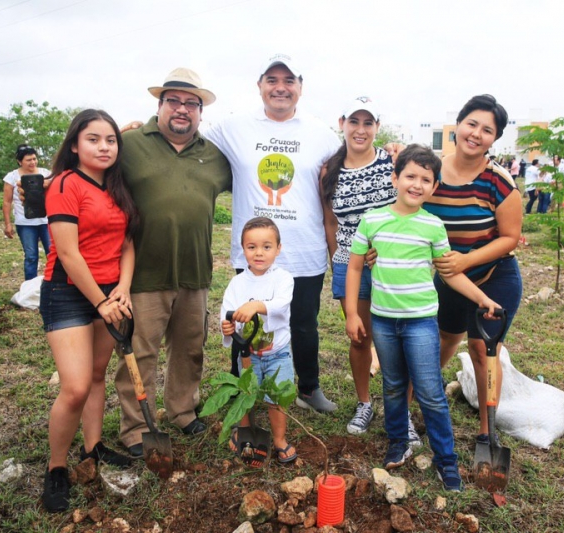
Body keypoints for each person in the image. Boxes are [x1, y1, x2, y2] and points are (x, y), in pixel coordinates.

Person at [345, 144, 500, 492]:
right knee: (393, 385)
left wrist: (482, 298)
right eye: (410, 176)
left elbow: (449, 272)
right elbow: (355, 267)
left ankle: (447, 460)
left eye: (425, 180)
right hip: (383, 321)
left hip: (420, 322)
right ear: (395, 178)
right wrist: (353, 313)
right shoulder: (373, 220)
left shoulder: (432, 226)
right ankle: (398, 441)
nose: (416, 184)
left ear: (434, 187)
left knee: (430, 391)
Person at [205, 54, 342, 414]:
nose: (280, 88)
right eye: (272, 80)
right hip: (255, 252)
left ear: (300, 87)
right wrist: (138, 129)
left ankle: (308, 388)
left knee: (304, 324)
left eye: (288, 80)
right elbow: (188, 137)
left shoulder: (322, 134)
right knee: (246, 321)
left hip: (304, 251)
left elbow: (346, 170)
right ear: (260, 86)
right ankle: (244, 388)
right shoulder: (233, 127)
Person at [114, 68, 232, 457]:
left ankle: (182, 410)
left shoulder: (214, 156)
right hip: (143, 271)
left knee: (189, 347)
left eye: (191, 103)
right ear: (160, 104)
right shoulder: (130, 144)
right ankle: (136, 427)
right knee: (140, 352)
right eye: (174, 101)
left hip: (195, 270)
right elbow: (88, 165)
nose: (182, 109)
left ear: (200, 111)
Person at [40, 109, 138, 513]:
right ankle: (56, 467)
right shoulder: (65, 184)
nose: (103, 147)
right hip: (68, 293)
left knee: (97, 375)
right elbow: (68, 252)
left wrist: (123, 289)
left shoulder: (117, 186)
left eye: (111, 140)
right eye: (93, 139)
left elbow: (127, 244)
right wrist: (101, 300)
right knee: (76, 386)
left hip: (110, 294)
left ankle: (93, 446)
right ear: (75, 145)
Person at [423, 94, 522, 449]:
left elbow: (510, 237)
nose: (476, 134)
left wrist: (467, 260)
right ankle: (413, 402)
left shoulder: (499, 182)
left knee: (483, 350)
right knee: (443, 341)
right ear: (458, 125)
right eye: (472, 124)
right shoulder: (430, 173)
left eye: (487, 130)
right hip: (450, 279)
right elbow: (406, 213)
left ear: (494, 139)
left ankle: (486, 431)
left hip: (495, 276)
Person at [320, 96, 396, 436]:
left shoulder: (393, 162)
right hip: (349, 266)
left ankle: (399, 408)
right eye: (354, 122)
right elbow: (330, 223)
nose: (360, 130)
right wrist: (341, 259)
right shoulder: (329, 171)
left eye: (368, 123)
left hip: (392, 266)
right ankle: (364, 402)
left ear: (377, 127)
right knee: (360, 337)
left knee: (395, 338)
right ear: (342, 124)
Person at [220, 217, 296, 463]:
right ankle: (244, 432)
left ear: (278, 248)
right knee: (246, 394)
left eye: (267, 246)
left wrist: (256, 305)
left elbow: (281, 304)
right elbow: (227, 311)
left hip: (278, 353)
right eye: (251, 247)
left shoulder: (283, 278)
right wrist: (227, 326)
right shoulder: (237, 283)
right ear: (243, 249)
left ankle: (279, 439)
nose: (259, 253)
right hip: (248, 354)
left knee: (278, 397)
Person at [3, 144, 52, 280]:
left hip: (46, 221)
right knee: (31, 256)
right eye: (28, 160)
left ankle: (54, 283)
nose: (33, 162)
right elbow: (7, 202)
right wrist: (8, 224)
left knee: (52, 253)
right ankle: (29, 285)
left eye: (34, 159)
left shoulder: (46, 174)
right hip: (25, 223)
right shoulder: (12, 177)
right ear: (20, 161)